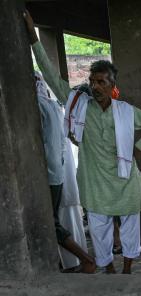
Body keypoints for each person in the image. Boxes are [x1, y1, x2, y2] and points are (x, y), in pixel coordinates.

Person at [26, 11, 141, 274]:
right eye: (92, 82)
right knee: (99, 230)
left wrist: (138, 147)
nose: (95, 86)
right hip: (95, 182)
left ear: (112, 85)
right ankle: (109, 271)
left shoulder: (125, 111)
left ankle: (127, 271)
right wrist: (34, 38)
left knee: (130, 228)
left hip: (125, 183)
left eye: (101, 82)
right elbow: (52, 77)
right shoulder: (80, 106)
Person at [34, 71, 96, 274]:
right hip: (59, 173)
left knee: (52, 222)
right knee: (56, 220)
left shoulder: (39, 107)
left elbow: (51, 147)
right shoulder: (52, 106)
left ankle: (86, 259)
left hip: (50, 175)